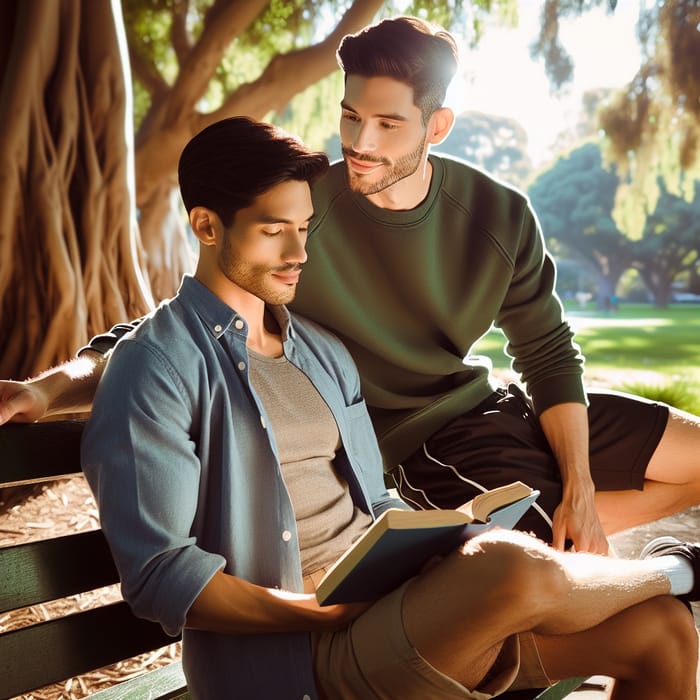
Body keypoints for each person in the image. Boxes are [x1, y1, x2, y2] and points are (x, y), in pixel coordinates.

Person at [2, 17, 700, 554]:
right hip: (421, 447)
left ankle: (556, 521)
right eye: (349, 115)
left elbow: (548, 353)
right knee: (565, 574)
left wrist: (579, 487)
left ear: (437, 126)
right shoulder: (303, 215)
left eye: (388, 123)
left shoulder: (500, 213)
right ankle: (537, 534)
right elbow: (168, 329)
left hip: (495, 408)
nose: (359, 140)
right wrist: (45, 390)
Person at [78, 115, 700, 700]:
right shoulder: (157, 364)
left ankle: (668, 583)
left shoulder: (319, 352)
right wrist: (317, 611)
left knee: (665, 633)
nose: (299, 252)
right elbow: (163, 574)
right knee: (511, 567)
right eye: (274, 231)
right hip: (296, 657)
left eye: (304, 228)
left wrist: (444, 539)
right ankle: (677, 569)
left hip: (396, 613)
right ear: (207, 227)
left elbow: (378, 506)